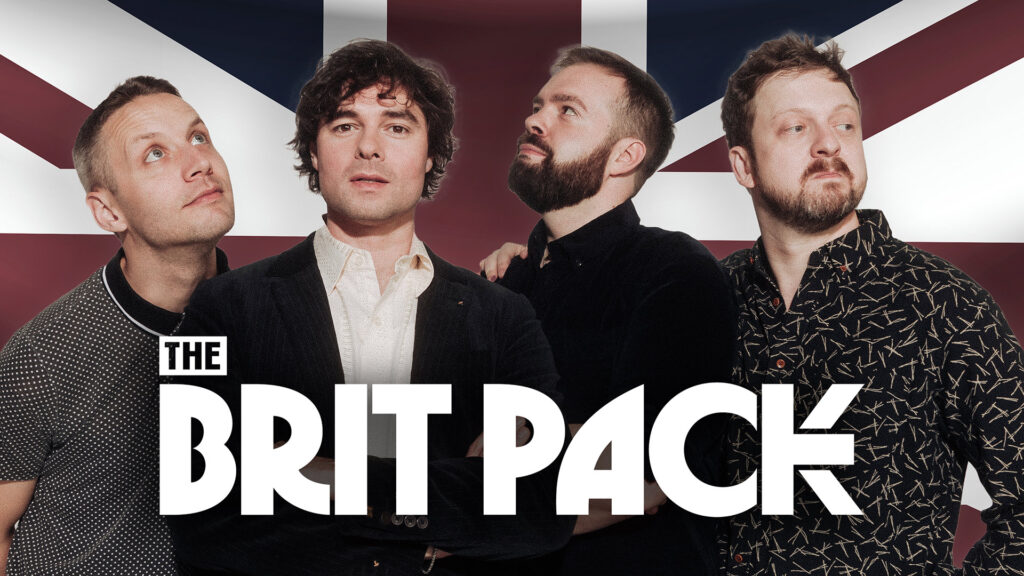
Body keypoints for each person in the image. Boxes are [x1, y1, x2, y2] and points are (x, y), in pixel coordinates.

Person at [167, 39, 573, 576]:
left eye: (397, 126)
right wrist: (447, 503)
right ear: (314, 151)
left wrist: (311, 476)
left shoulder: (505, 317)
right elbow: (194, 503)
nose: (369, 148)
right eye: (344, 125)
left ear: (431, 155)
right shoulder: (217, 308)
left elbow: (545, 510)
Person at [718, 34, 1024, 574]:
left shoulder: (944, 305)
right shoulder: (705, 300)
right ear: (743, 166)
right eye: (796, 127)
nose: (828, 144)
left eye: (844, 125)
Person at [481, 46, 736, 575]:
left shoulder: (675, 270)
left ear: (625, 156)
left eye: (566, 110)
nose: (534, 120)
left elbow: (649, 467)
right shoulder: (504, 281)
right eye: (538, 105)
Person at [0, 76, 234, 575]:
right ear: (108, 211)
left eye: (199, 137)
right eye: (154, 153)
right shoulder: (45, 354)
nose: (199, 163)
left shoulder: (274, 320)